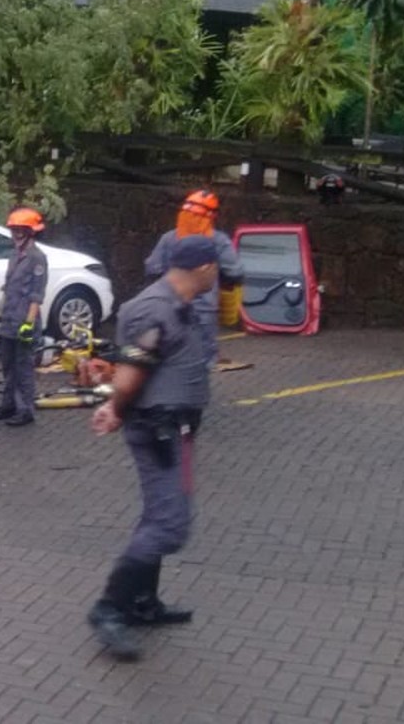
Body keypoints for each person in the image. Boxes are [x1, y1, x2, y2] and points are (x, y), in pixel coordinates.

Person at [85, 235, 221, 661]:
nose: (218, 274)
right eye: (216, 267)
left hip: (175, 429)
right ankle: (109, 608)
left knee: (157, 517)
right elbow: (131, 374)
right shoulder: (155, 309)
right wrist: (115, 407)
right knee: (169, 526)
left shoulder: (180, 305)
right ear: (203, 268)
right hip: (159, 431)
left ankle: (143, 602)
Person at [143, 190, 244, 370]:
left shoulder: (168, 238)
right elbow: (235, 272)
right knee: (204, 360)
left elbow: (152, 268)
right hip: (204, 311)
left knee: (166, 354)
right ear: (212, 215)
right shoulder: (218, 241)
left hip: (167, 307)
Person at [0, 208, 48, 427]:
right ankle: (8, 405)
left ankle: (25, 410)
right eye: (14, 230)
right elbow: (8, 287)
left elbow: (36, 294)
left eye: (22, 230)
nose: (17, 234)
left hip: (24, 321)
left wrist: (29, 323)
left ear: (31, 232)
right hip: (9, 320)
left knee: (23, 368)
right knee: (8, 365)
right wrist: (0, 313)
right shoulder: (15, 255)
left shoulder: (37, 258)